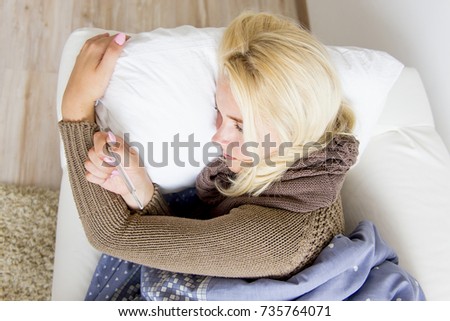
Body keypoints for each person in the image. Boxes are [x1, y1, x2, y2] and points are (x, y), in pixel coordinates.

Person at [59, 12, 358, 280]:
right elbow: (198, 241)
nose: (217, 138)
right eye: (219, 112)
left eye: (240, 125)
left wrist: (75, 109)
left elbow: (111, 235)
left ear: (294, 128)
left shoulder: (274, 241)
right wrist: (141, 190)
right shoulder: (309, 159)